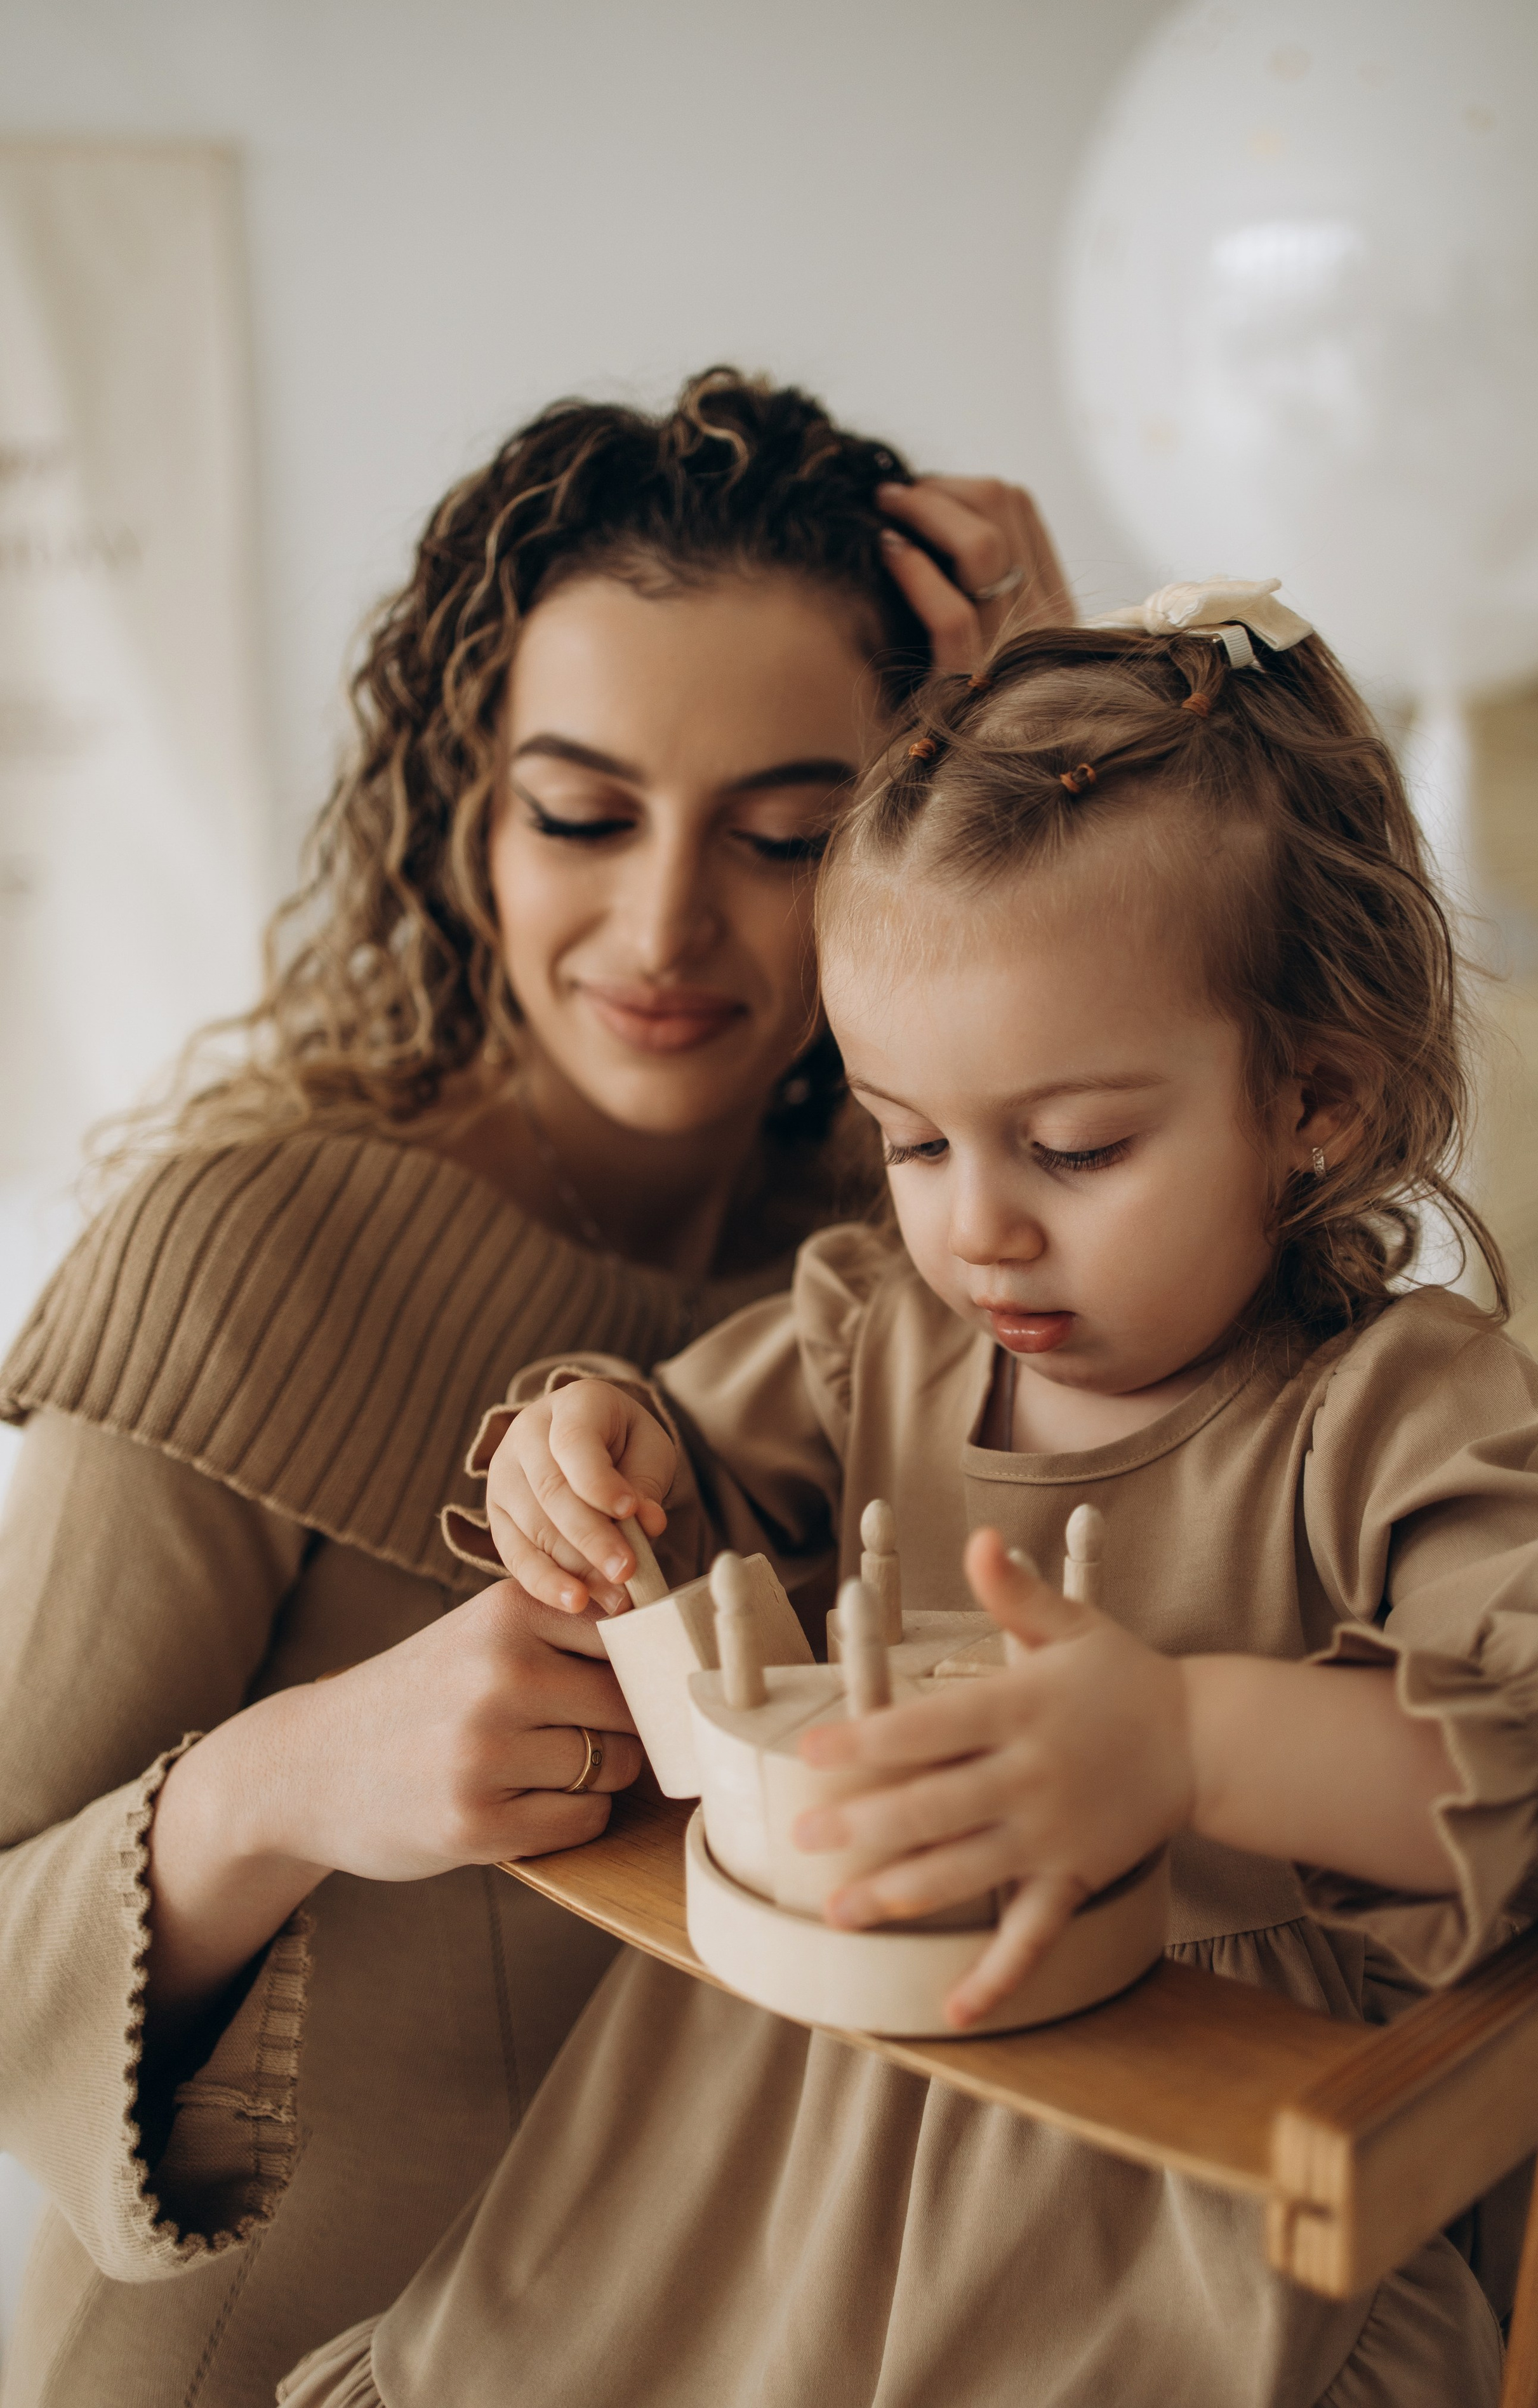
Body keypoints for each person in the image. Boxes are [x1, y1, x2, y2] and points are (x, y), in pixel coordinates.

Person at [287, 583, 1538, 2407]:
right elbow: (676, 1456)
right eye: (913, 1138)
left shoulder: (1393, 1412)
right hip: (770, 2159)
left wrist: (1190, 1745)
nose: (975, 1224)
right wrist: (588, 1456)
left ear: (1312, 1098)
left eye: (1075, 1148)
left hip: (1173, 2209)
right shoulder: (873, 1338)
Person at [0, 366, 1072, 2408]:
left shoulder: (930, 1281)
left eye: (788, 834)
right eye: (583, 815)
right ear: (462, 817)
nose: (665, 925)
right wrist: (297, 1781)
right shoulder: (247, 1251)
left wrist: (1061, 754)